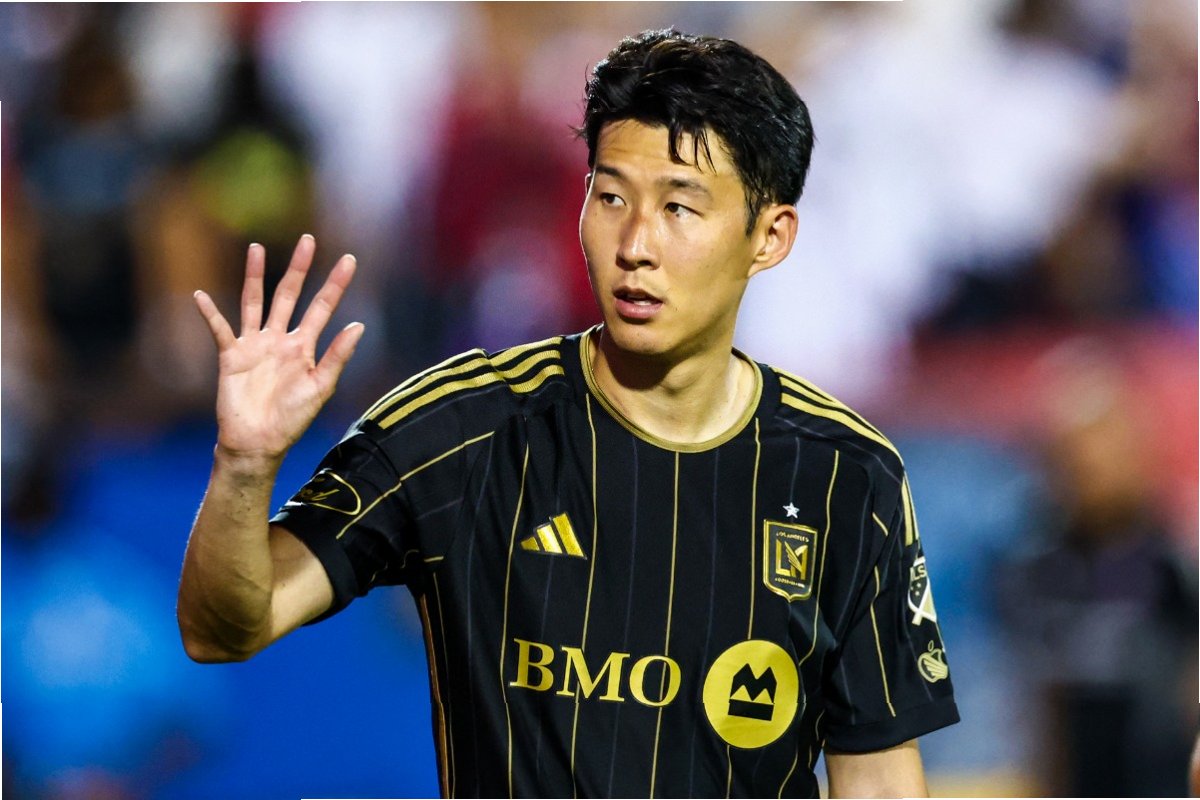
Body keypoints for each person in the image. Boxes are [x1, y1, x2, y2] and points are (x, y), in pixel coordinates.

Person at [178, 29, 958, 798]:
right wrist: (243, 466)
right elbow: (222, 628)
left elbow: (879, 780)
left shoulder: (846, 478)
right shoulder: (458, 431)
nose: (635, 244)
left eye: (680, 207)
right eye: (611, 197)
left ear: (770, 236)